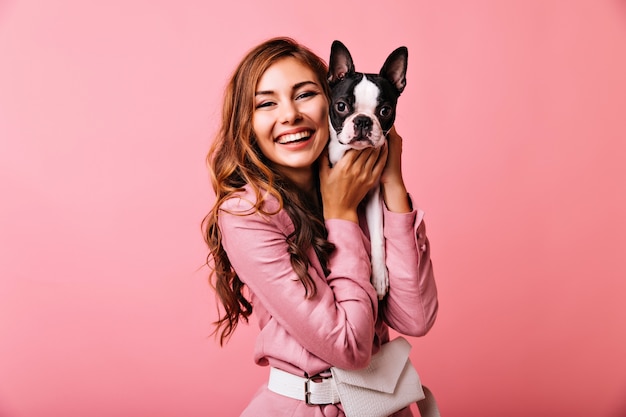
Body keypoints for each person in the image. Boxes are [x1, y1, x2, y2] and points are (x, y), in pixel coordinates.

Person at [202, 37, 438, 417]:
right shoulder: (249, 215)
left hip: (383, 406)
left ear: (329, 96)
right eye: (266, 102)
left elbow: (416, 318)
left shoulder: (362, 187)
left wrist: (393, 182)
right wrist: (340, 212)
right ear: (246, 121)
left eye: (305, 94)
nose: (290, 114)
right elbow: (349, 347)